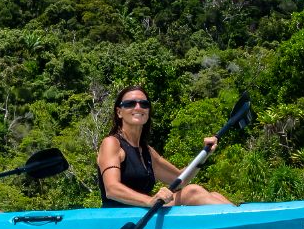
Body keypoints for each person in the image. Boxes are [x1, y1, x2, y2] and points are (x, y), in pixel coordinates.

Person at [96, 86, 232, 208]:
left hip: (142, 213)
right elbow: (112, 189)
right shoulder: (111, 143)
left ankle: (243, 220)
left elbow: (179, 179)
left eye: (144, 104)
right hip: (119, 218)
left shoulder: (147, 151)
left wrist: (205, 153)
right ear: (119, 112)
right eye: (130, 104)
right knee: (192, 191)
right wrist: (149, 201)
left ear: (148, 112)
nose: (138, 107)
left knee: (214, 194)